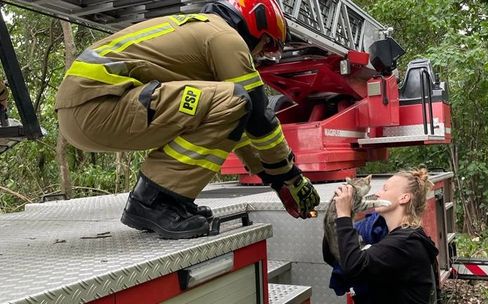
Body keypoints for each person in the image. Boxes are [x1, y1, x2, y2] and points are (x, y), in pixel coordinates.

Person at [55, 0, 320, 239]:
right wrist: (292, 177)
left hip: (87, 110)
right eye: (267, 44)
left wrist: (274, 179)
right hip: (98, 104)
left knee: (233, 102)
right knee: (238, 98)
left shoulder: (200, 32)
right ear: (256, 24)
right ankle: (155, 202)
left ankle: (160, 200)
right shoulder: (225, 37)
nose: (261, 54)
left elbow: (234, 121)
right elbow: (259, 119)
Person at [324, 168, 439, 304]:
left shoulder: (406, 242)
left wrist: (344, 215)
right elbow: (335, 257)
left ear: (404, 198)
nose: (377, 193)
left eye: (385, 189)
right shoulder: (390, 237)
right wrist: (334, 217)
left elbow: (354, 266)